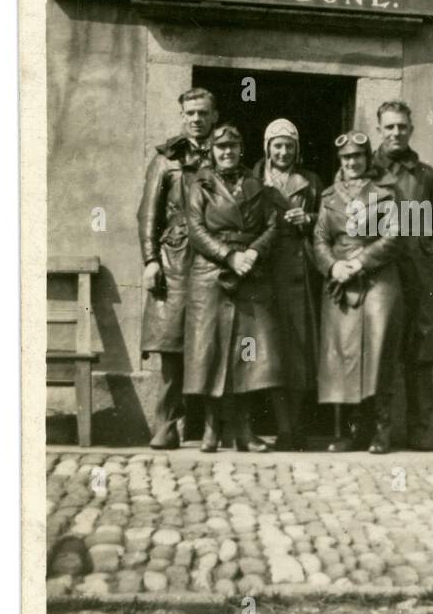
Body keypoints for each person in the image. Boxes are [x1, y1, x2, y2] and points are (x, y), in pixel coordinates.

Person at [183, 124, 292, 452]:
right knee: (210, 352)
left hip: (250, 274)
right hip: (211, 276)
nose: (227, 152)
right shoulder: (199, 184)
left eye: (232, 146)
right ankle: (211, 429)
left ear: (241, 149)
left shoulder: (257, 185)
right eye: (220, 148)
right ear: (212, 151)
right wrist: (229, 256)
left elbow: (273, 225)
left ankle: (244, 431)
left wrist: (253, 253)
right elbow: (195, 229)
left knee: (248, 354)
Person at [137, 87, 218, 448]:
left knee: (210, 342)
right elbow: (148, 213)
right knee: (171, 347)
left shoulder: (223, 154)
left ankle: (205, 427)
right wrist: (151, 260)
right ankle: (167, 424)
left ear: (214, 116)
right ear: (182, 116)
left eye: (202, 113)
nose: (196, 119)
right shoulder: (166, 159)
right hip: (174, 260)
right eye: (190, 113)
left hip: (211, 259)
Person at [314, 132, 402, 454]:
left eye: (358, 157)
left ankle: (381, 430)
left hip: (378, 280)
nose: (352, 163)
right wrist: (332, 266)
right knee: (346, 357)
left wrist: (359, 262)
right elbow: (320, 239)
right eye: (346, 158)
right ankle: (354, 431)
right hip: (341, 282)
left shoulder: (386, 194)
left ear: (367, 159)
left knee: (378, 354)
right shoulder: (328, 197)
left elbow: (394, 236)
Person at [372, 100, 433, 449]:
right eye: (389, 127)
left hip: (420, 276)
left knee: (421, 350)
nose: (395, 133)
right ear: (379, 130)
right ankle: (378, 430)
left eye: (401, 126)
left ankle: (420, 429)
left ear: (411, 130)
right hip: (381, 274)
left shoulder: (425, 174)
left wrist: (432, 247)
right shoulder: (364, 170)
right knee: (380, 348)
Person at [252, 118, 323, 448]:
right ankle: (277, 425)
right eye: (277, 145)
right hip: (262, 273)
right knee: (268, 353)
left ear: (297, 149)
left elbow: (330, 221)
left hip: (297, 275)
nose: (283, 152)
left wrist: (307, 220)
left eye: (289, 146)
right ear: (267, 148)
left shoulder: (310, 181)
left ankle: (294, 428)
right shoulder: (253, 179)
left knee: (297, 352)